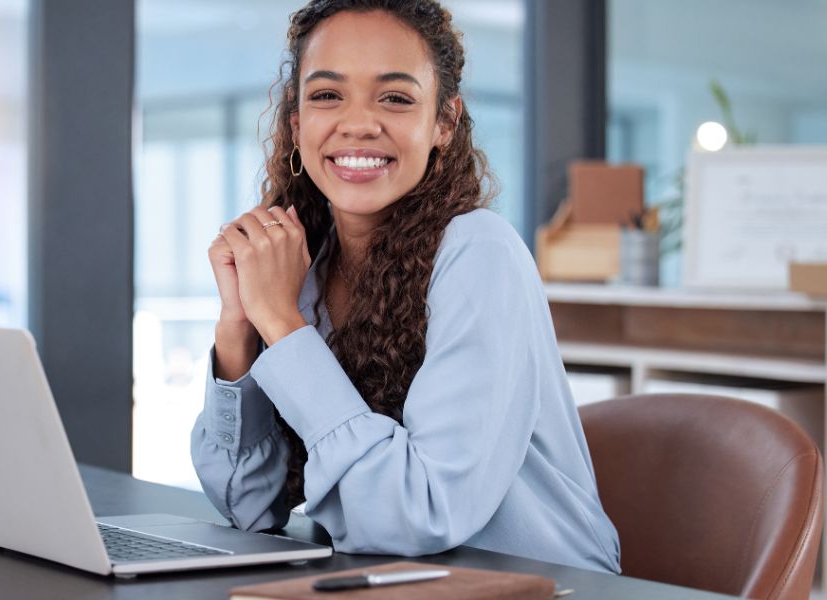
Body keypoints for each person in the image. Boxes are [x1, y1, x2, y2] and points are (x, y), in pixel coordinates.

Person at [191, 0, 620, 574]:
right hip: (393, 581)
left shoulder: (480, 252)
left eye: (394, 98)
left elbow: (417, 517)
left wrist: (284, 327)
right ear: (296, 123)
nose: (358, 123)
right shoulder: (307, 267)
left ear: (444, 122)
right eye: (327, 95)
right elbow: (246, 504)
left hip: (536, 584)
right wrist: (240, 325)